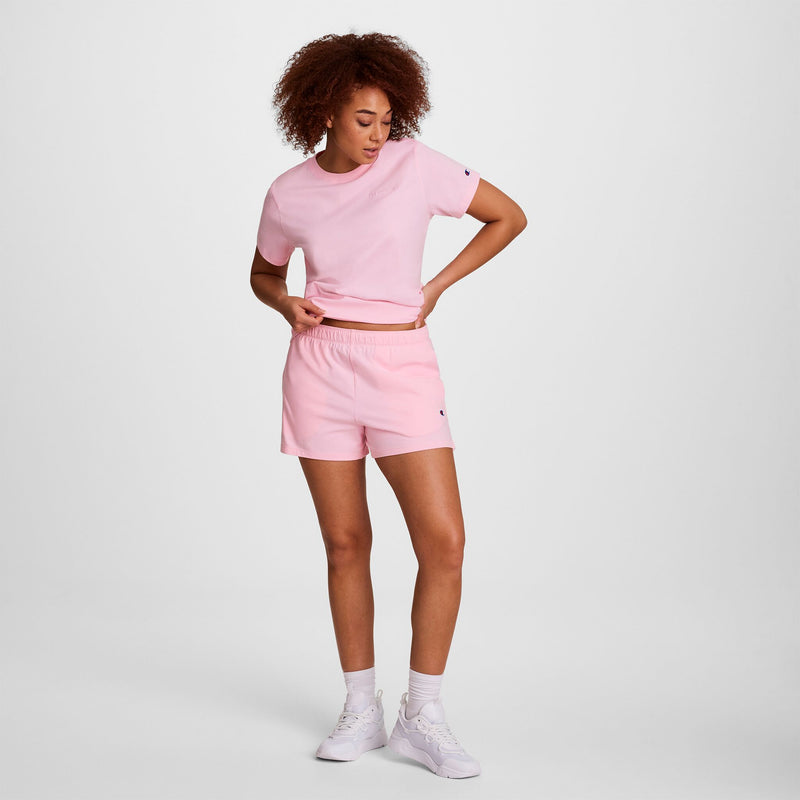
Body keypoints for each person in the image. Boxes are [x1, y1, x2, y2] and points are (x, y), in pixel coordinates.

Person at [250, 32, 526, 779]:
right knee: (346, 544)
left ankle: (422, 716)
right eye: (365, 119)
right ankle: (361, 709)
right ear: (325, 112)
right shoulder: (289, 192)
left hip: (401, 362)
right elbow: (263, 273)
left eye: (388, 119)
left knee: (444, 543)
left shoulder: (415, 166)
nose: (380, 134)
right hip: (321, 367)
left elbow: (509, 216)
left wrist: (435, 287)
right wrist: (286, 305)